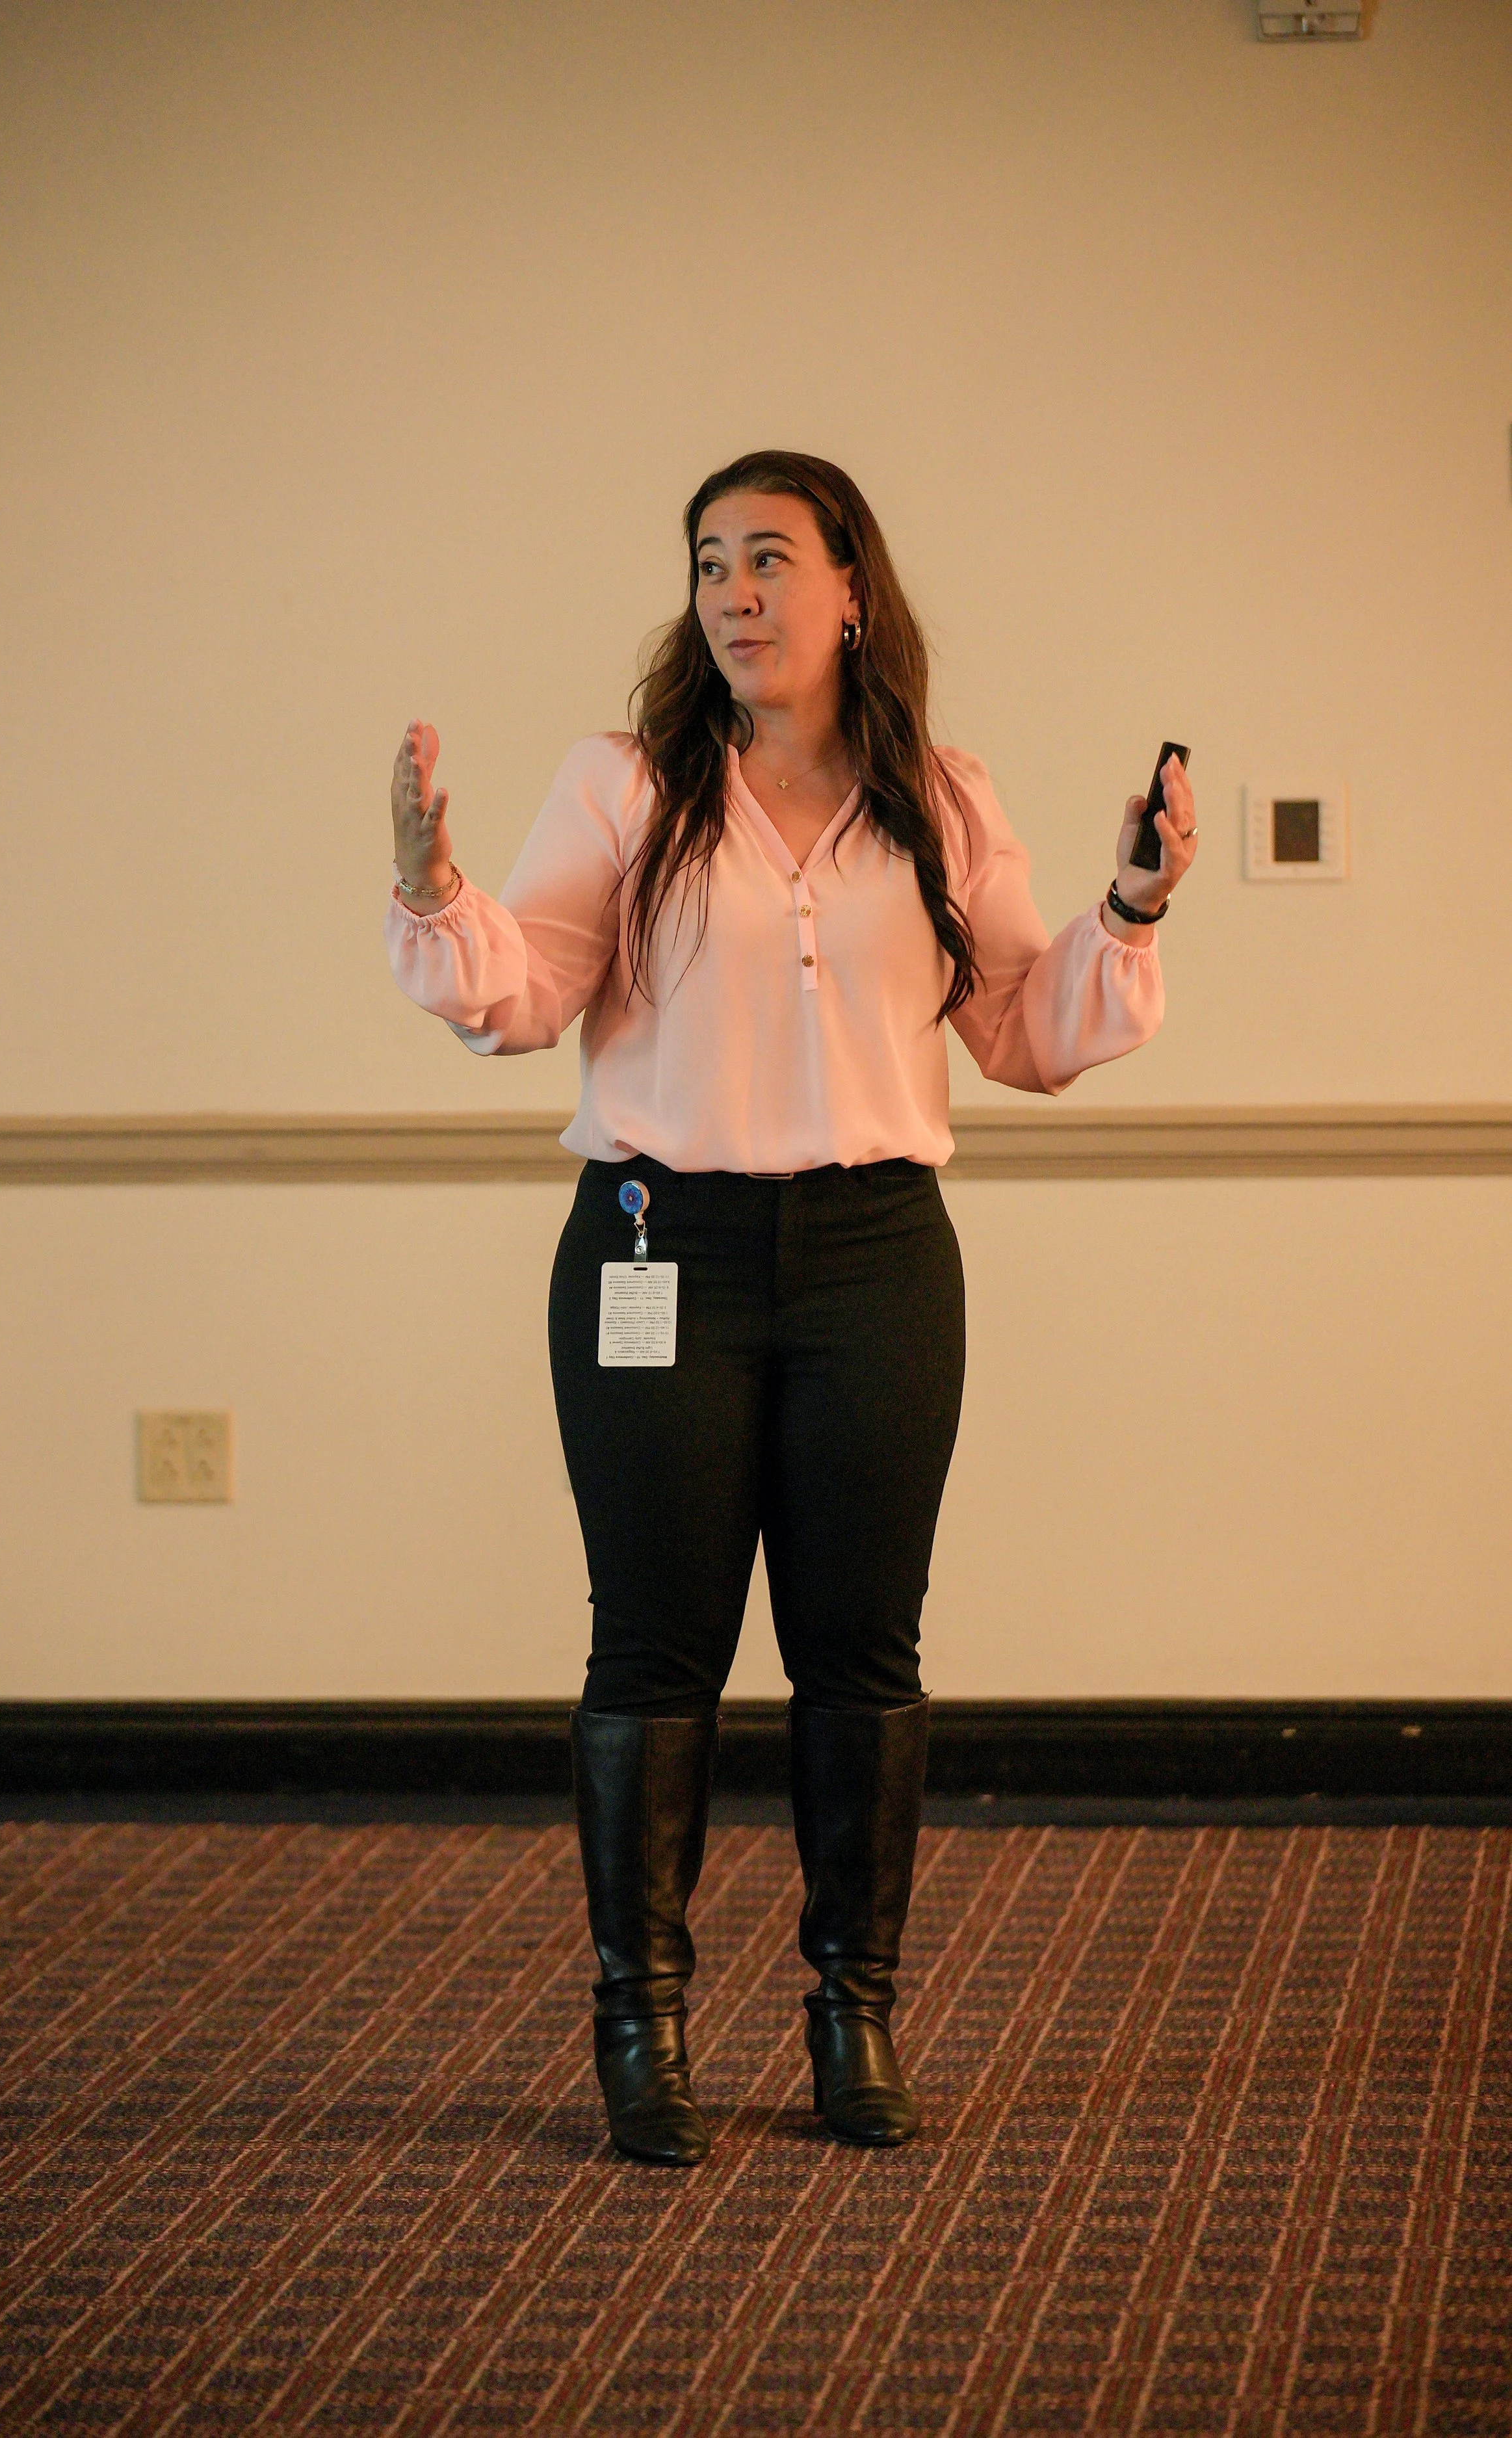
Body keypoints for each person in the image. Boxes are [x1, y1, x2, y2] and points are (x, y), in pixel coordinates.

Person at [385, 449, 1197, 2168]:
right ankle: (643, 2024)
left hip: (875, 1254)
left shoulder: (940, 799)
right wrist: (435, 888)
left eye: (768, 558)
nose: (734, 594)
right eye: (708, 564)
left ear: (850, 590)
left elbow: (1022, 1028)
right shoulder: (628, 786)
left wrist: (1130, 904)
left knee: (861, 1647)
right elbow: (524, 993)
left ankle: (854, 2014)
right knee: (652, 1644)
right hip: (653, 1248)